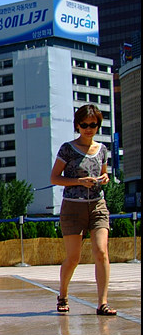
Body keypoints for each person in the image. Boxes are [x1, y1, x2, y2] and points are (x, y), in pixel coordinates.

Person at [50, 104, 116, 316]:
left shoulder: (102, 149)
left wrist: (104, 178)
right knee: (73, 257)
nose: (89, 129)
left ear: (98, 125)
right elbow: (54, 178)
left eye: (93, 125)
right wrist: (79, 181)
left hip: (97, 205)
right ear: (77, 125)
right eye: (84, 124)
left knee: (101, 252)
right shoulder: (68, 149)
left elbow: (104, 173)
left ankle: (102, 302)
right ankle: (62, 294)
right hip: (72, 207)